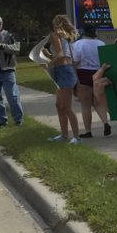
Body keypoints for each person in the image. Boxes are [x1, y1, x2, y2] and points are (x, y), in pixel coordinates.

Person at [71, 24, 111, 138]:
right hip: (98, 73)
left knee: (86, 105)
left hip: (83, 73)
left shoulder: (78, 44)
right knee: (98, 102)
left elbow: (75, 62)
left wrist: (75, 80)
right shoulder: (101, 43)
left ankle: (88, 131)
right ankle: (105, 122)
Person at [0, 15, 23, 127]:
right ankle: (1, 121)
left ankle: (18, 120)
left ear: (2, 24)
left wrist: (2, 46)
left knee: (12, 96)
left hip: (7, 72)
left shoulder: (8, 35)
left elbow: (17, 49)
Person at [47, 14, 80, 143]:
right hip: (64, 70)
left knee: (66, 107)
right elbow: (62, 55)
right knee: (60, 105)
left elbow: (61, 55)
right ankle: (64, 135)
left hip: (64, 71)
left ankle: (76, 137)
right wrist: (49, 56)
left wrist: (50, 61)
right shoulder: (65, 37)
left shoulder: (56, 35)